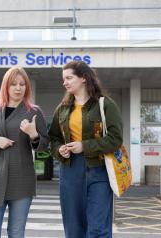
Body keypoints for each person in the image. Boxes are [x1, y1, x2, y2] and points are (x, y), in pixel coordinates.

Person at [48, 60, 123, 238]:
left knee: (98, 229)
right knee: (73, 229)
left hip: (99, 171)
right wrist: (59, 150)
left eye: (69, 78)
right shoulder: (63, 109)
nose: (64, 82)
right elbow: (54, 138)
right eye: (63, 79)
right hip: (70, 172)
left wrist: (84, 145)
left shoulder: (105, 105)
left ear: (83, 78)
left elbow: (115, 139)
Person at [0, 66, 49, 238]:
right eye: (13, 84)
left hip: (22, 181)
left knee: (16, 233)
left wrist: (34, 135)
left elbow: (45, 145)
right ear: (5, 86)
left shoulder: (34, 112)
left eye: (22, 84)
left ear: (27, 87)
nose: (18, 88)